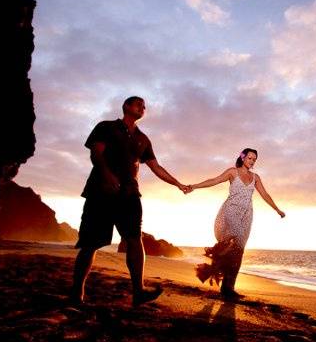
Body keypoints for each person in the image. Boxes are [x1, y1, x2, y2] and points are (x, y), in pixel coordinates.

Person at [70, 96, 191, 307]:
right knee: (91, 244)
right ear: (126, 106)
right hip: (101, 191)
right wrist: (107, 174)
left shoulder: (143, 138)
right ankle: (76, 294)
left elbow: (155, 166)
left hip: (130, 195)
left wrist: (178, 183)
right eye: (138, 104)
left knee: (135, 239)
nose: (142, 108)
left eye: (144, 106)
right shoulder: (106, 127)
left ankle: (139, 292)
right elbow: (96, 153)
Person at [189, 148, 285, 300]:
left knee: (239, 250)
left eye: (254, 159)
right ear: (243, 157)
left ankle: (228, 287)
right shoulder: (232, 172)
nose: (252, 161)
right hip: (231, 211)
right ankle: (215, 269)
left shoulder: (255, 177)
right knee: (234, 244)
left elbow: (265, 194)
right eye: (250, 158)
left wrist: (277, 209)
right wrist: (194, 186)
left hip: (246, 215)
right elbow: (214, 180)